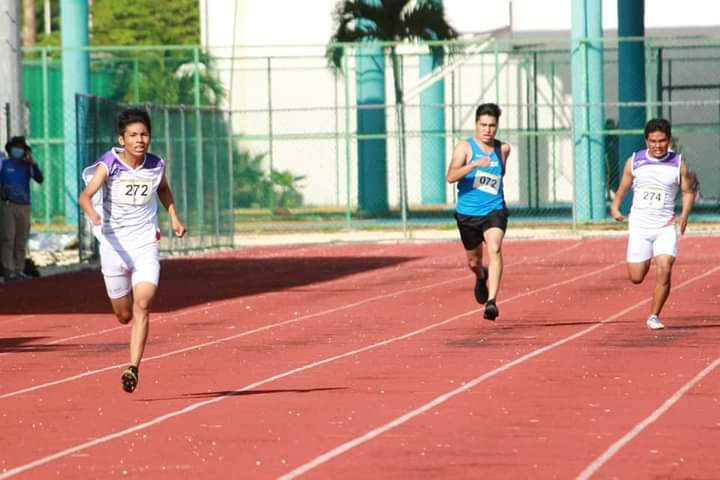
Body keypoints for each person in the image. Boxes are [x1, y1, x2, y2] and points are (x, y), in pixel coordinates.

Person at [78, 108, 186, 393]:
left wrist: (173, 216)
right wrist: (93, 215)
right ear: (122, 138)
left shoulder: (155, 164)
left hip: (144, 243)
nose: (140, 140)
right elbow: (85, 195)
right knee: (124, 315)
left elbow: (163, 189)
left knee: (144, 304)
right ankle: (126, 318)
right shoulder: (109, 164)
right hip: (114, 245)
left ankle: (133, 367)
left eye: (145, 135)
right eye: (134, 135)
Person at [610, 118, 697, 330]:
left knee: (665, 269)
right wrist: (615, 207)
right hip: (640, 227)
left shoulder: (678, 163)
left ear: (669, 140)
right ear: (646, 140)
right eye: (653, 141)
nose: (657, 146)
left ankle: (654, 315)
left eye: (662, 141)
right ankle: (646, 255)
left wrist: (685, 214)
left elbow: (687, 192)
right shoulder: (635, 161)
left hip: (665, 227)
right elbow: (623, 187)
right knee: (637, 277)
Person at [446, 103, 511, 321]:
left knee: (495, 249)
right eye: (483, 125)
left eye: (492, 125)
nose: (488, 130)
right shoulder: (464, 147)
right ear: (476, 125)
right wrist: (472, 166)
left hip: (494, 210)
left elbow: (499, 176)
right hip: (467, 213)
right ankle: (480, 276)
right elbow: (451, 176)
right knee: (474, 262)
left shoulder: (503, 149)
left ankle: (492, 301)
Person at [0, 136, 43, 282]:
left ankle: (19, 269)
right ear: (10, 149)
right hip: (8, 205)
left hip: (24, 205)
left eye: (21, 147)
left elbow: (39, 178)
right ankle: (8, 269)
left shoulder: (27, 166)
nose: (18, 150)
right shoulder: (3, 164)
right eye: (15, 147)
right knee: (8, 237)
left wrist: (33, 163)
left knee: (21, 239)